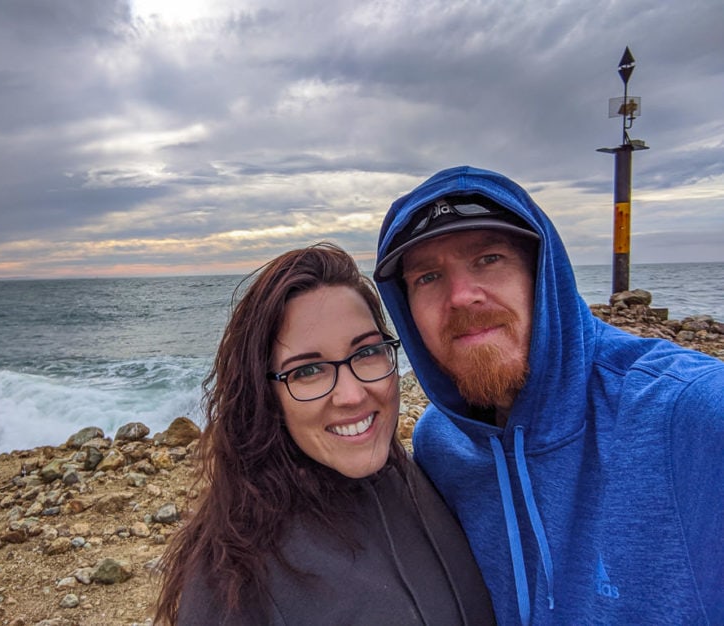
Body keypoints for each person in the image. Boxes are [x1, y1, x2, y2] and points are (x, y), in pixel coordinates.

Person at [373, 164, 724, 625]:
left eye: (488, 259)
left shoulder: (688, 413)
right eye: (427, 277)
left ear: (543, 276)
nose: (461, 296)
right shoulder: (441, 446)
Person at [154, 242, 494, 625]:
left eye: (366, 353)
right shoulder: (235, 577)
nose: (351, 396)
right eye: (307, 371)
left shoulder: (431, 479)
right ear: (266, 396)